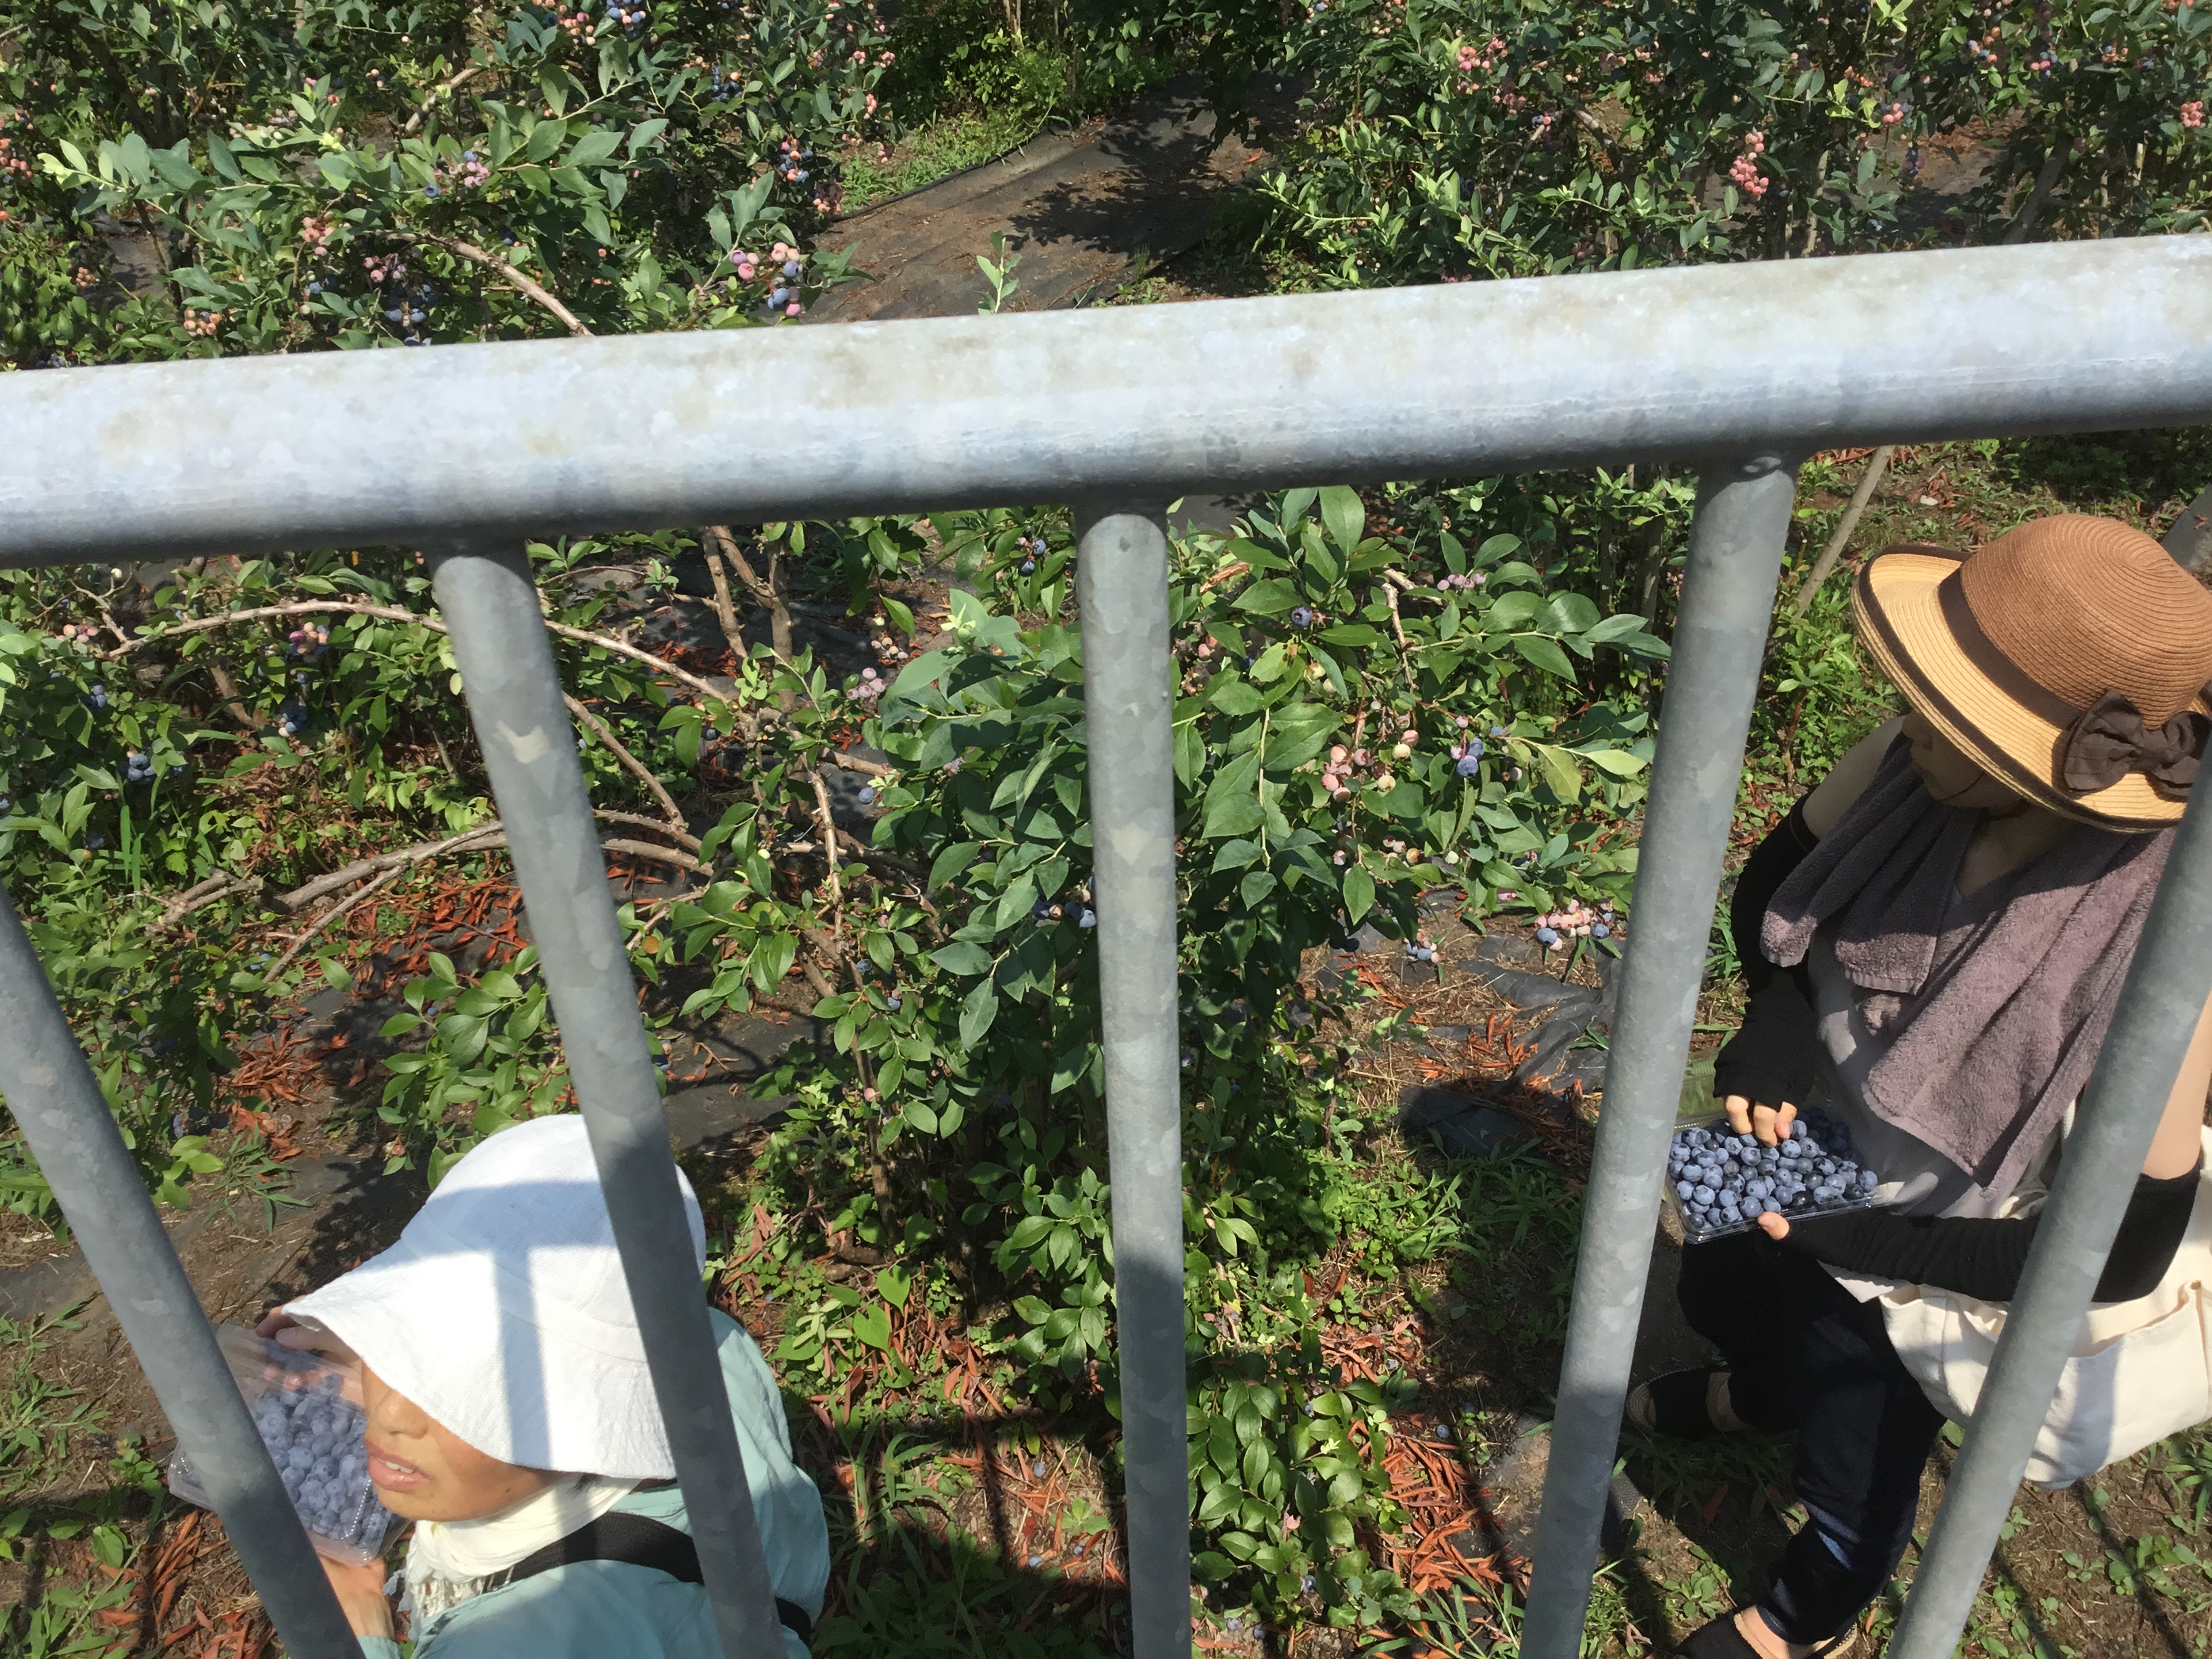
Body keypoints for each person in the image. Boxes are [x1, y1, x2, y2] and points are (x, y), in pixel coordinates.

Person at [1629, 516, 2212, 1659]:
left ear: (2038, 770)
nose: (1908, 719)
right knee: (1718, 1286)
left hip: (1934, 1241)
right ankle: (1758, 1391)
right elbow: (1775, 890)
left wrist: (1868, 1246)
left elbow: (2123, 1249)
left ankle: (1806, 1617)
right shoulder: (1919, 757)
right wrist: (1774, 1021)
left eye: (1950, 716)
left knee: (1858, 1450)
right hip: (1803, 1127)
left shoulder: (2165, 949)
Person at [259, 1114, 830, 1658]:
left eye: (466, 1395)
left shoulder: (509, 1643)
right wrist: (367, 1343)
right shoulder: (709, 1347)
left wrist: (357, 1633)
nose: (389, 1416)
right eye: (394, 1344)